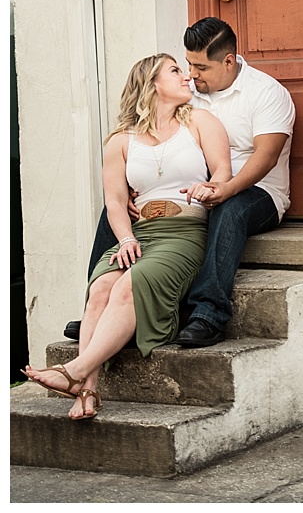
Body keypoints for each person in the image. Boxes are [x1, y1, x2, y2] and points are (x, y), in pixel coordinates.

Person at [65, 17, 295, 348]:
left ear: (228, 61)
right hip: (200, 191)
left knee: (228, 209)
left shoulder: (265, 93)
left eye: (199, 66)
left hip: (258, 192)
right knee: (116, 209)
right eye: (186, 64)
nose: (190, 74)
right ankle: (97, 304)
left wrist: (225, 188)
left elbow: (267, 157)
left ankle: (209, 313)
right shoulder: (193, 95)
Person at [24, 54, 231, 418]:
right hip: (140, 232)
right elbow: (116, 202)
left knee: (127, 285)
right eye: (175, 71)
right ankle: (87, 391)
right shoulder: (121, 140)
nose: (186, 77)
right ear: (152, 83)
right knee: (101, 287)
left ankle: (73, 372)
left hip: (183, 233)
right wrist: (125, 239)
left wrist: (208, 187)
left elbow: (224, 176)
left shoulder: (200, 122)